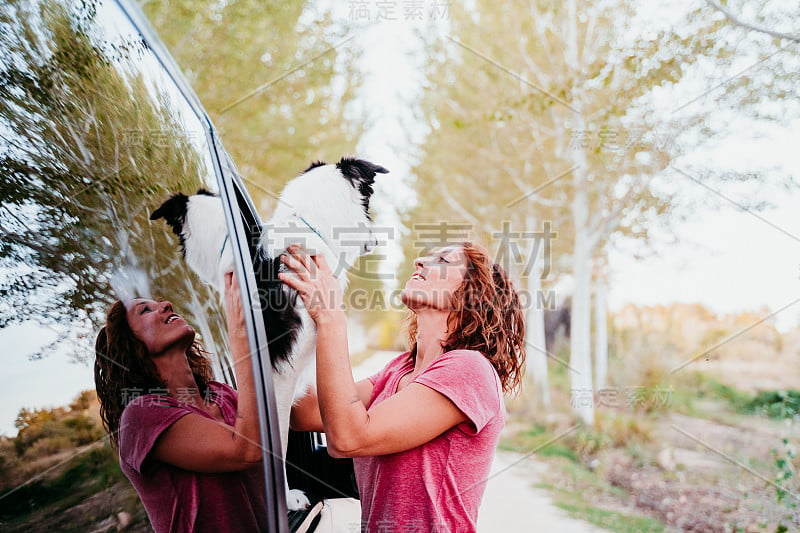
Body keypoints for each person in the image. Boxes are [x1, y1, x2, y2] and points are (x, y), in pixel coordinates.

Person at [282, 242, 526, 532]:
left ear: (472, 293)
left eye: (443, 260)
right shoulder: (399, 369)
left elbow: (348, 438)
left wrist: (330, 316)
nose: (420, 261)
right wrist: (290, 318)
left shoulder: (470, 369)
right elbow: (303, 412)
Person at [94, 272, 266, 533]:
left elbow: (290, 416)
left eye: (160, 302)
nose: (166, 305)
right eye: (145, 310)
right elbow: (248, 451)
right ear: (131, 344)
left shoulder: (222, 393)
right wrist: (242, 334)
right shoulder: (141, 416)